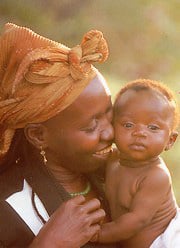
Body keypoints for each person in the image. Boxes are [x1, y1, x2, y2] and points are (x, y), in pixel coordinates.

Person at [0, 23, 116, 247]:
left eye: (110, 115)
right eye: (91, 126)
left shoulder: (121, 174)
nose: (110, 132)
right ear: (38, 136)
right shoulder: (10, 206)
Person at [94, 79, 180, 247]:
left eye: (153, 128)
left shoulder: (156, 176)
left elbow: (135, 221)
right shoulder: (112, 159)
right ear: (112, 128)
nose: (139, 133)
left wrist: (97, 234)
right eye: (128, 124)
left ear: (170, 140)